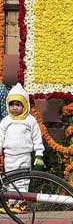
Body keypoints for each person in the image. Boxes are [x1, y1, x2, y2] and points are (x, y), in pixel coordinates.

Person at [0, 83, 45, 214]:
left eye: (18, 104)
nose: (14, 108)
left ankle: (22, 203)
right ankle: (11, 203)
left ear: (25, 105)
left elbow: (37, 139)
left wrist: (39, 155)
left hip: (24, 156)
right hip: (9, 157)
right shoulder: (5, 121)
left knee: (23, 181)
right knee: (9, 180)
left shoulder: (30, 121)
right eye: (12, 104)